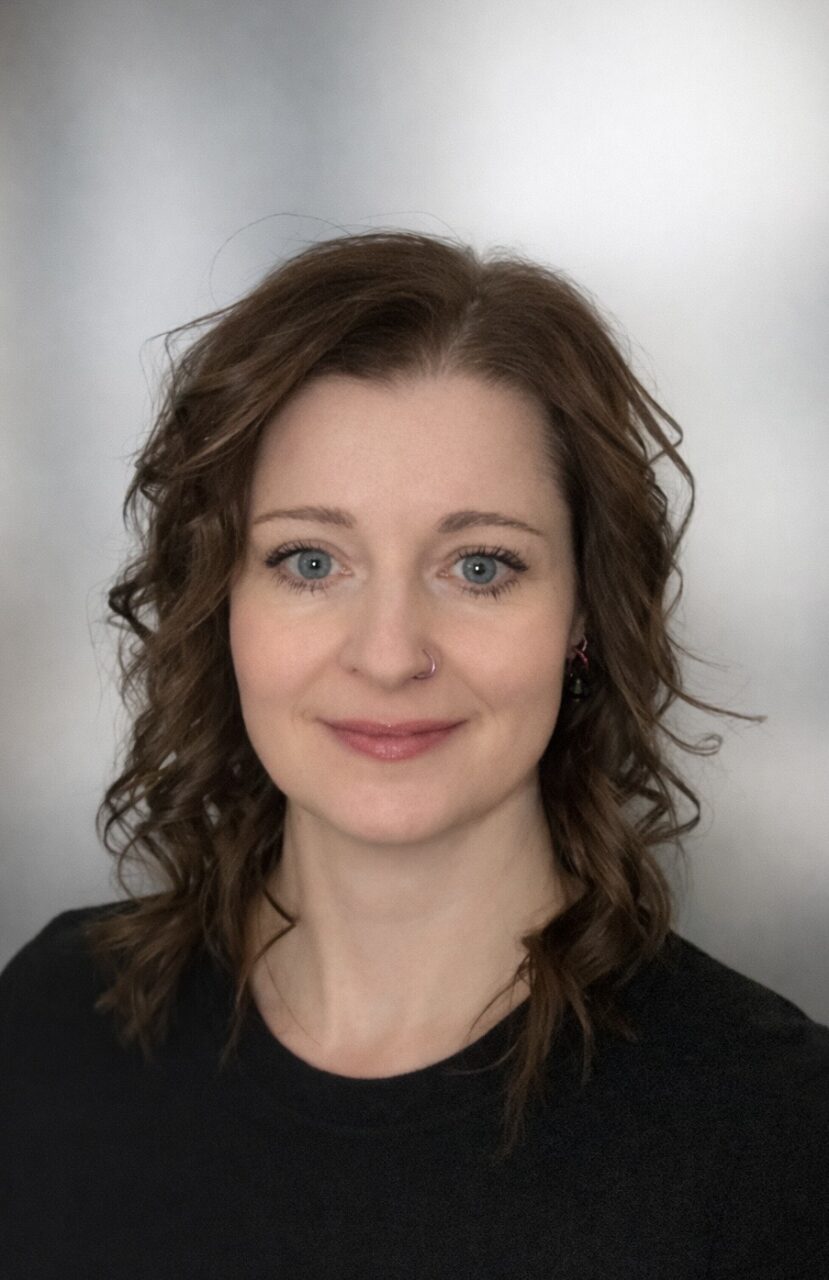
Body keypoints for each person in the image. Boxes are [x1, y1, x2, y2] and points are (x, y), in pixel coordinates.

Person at [1, 229, 827, 1278]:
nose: (389, 654)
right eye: (311, 561)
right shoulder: (52, 1028)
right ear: (221, 602)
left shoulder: (776, 1136)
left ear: (583, 611)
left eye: (479, 566)